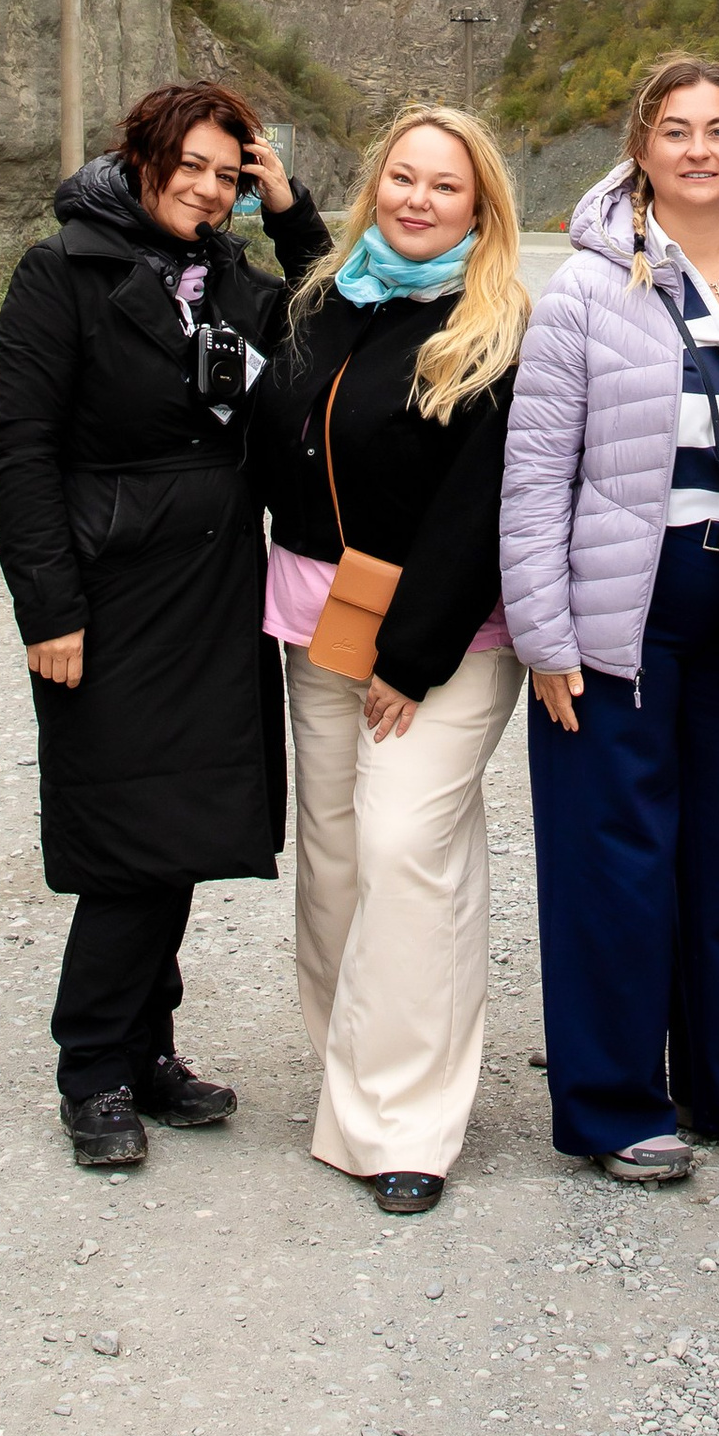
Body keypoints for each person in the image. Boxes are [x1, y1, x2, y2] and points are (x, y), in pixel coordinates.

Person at [0, 79, 330, 1171]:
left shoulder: (232, 277)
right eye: (191, 167)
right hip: (110, 596)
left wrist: (288, 210)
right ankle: (91, 1066)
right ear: (141, 158)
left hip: (216, 591)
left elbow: (330, 327)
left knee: (175, 832)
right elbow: (20, 453)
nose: (207, 188)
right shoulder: (61, 273)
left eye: (228, 174)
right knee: (124, 843)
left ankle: (148, 1051)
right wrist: (49, 607)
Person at [500, 52, 719, 1182]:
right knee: (615, 859)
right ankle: (613, 1104)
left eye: (718, 130)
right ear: (640, 148)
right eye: (675, 131)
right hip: (617, 611)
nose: (698, 150)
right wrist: (544, 637)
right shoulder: (589, 288)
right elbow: (536, 476)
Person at [257, 103, 529, 1216]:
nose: (420, 200)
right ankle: (348, 1074)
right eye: (403, 180)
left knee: (406, 846)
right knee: (330, 857)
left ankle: (408, 1121)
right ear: (377, 188)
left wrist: (407, 661)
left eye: (446, 187)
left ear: (482, 207)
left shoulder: (491, 322)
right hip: (315, 620)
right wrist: (286, 218)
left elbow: (481, 510)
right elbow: (303, 355)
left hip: (444, 639)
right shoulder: (331, 299)